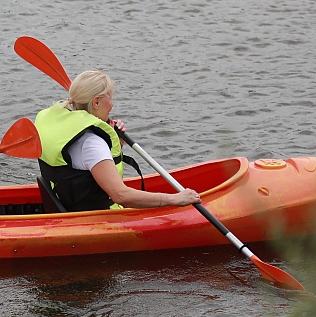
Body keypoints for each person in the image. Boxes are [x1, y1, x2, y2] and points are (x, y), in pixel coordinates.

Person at [34, 70, 200, 212]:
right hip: (99, 218)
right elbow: (121, 196)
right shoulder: (91, 143)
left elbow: (80, 167)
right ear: (96, 101)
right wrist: (175, 199)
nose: (112, 104)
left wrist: (114, 141)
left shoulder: (62, 125)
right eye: (110, 98)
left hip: (69, 205)